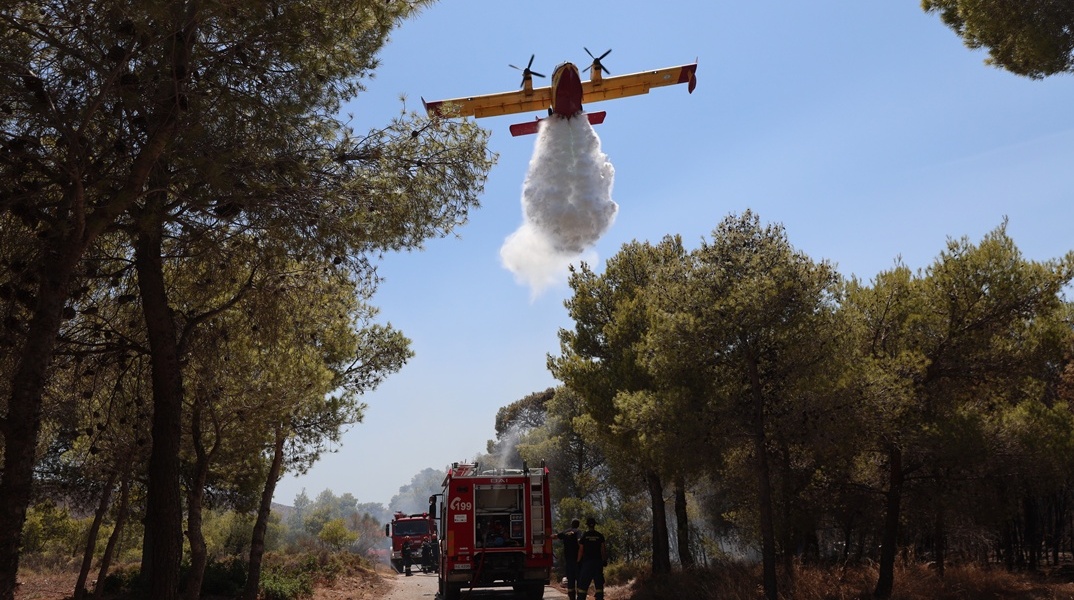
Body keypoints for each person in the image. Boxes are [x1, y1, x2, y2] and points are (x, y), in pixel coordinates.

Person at [576, 517, 607, 600]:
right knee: (599, 584)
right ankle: (599, 598)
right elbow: (603, 549)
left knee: (583, 584)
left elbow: (581, 550)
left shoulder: (584, 536)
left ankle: (581, 598)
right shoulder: (600, 536)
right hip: (598, 563)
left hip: (587, 564)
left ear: (587, 525)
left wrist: (578, 562)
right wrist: (604, 560)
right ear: (595, 525)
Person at [557, 519, 582, 600]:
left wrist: (546, 537)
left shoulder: (565, 532)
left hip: (568, 561)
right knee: (579, 579)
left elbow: (556, 536)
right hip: (577, 561)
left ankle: (571, 597)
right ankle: (580, 597)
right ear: (578, 525)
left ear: (571, 524)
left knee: (570, 580)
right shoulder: (578, 532)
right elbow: (579, 541)